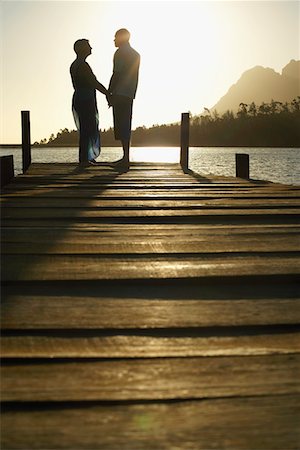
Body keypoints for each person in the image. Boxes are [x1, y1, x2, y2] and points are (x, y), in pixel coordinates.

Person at [70, 39, 108, 165]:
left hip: (80, 98)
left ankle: (85, 158)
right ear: (82, 49)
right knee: (87, 128)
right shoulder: (82, 65)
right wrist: (108, 93)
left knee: (86, 128)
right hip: (85, 99)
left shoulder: (75, 64)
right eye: (88, 46)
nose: (91, 48)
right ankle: (84, 159)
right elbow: (93, 82)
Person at [107, 29, 140, 171]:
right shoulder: (135, 54)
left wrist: (110, 92)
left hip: (120, 92)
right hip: (129, 93)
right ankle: (125, 157)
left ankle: (125, 158)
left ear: (122, 38)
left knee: (121, 124)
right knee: (126, 123)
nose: (114, 40)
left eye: (115, 37)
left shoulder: (120, 53)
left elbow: (117, 73)